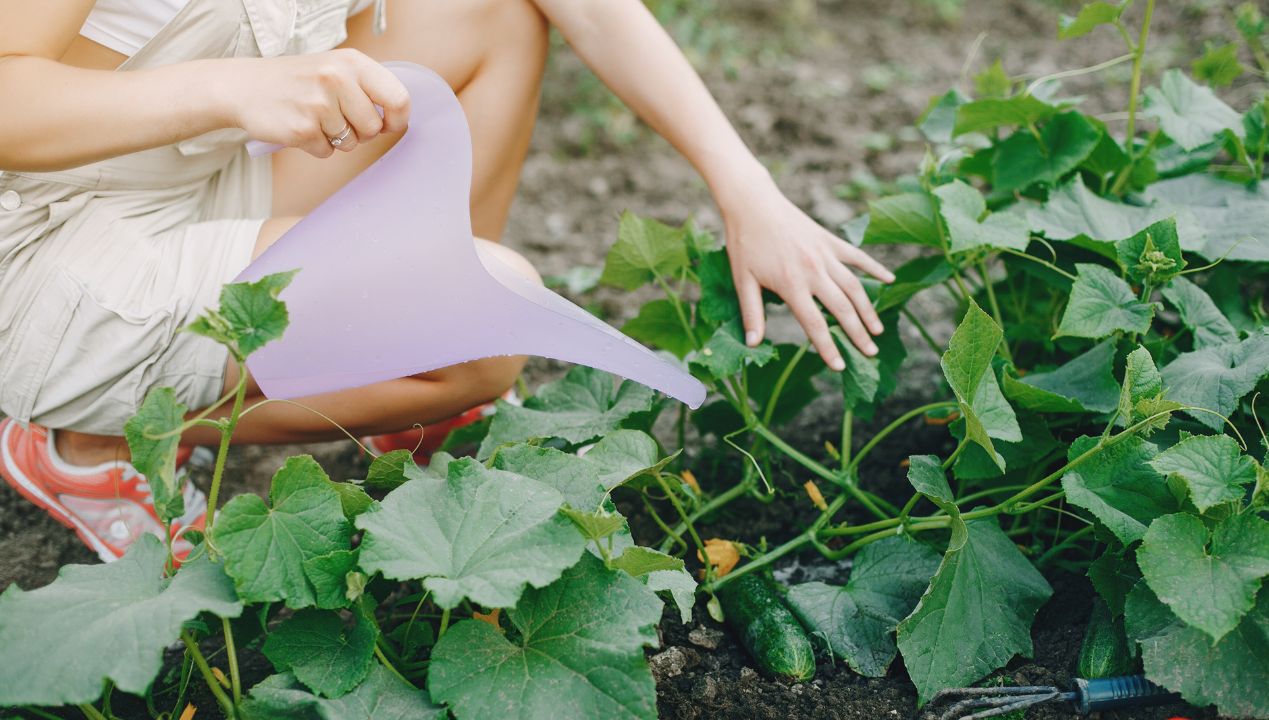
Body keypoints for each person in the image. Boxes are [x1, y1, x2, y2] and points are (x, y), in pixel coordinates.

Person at [0, 0, 894, 562]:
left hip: (194, 177)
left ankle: (402, 382)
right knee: (489, 324)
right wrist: (235, 88)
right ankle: (89, 445)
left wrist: (749, 194)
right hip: (52, 253)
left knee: (491, 14)